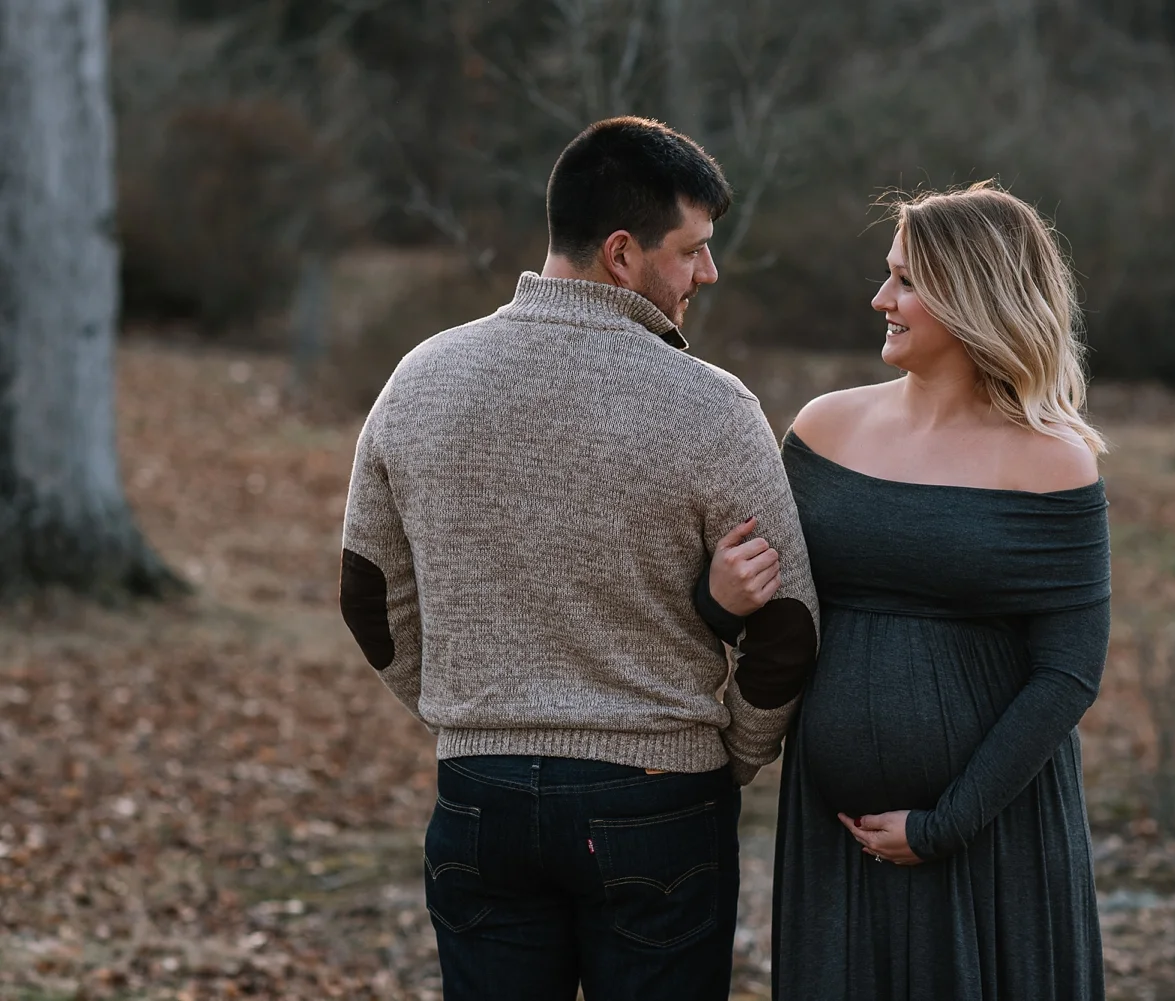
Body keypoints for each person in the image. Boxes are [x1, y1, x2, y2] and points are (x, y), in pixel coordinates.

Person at [338, 117, 819, 1001]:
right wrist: (733, 754)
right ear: (623, 254)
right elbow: (789, 627)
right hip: (660, 799)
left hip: (479, 795)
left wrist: (475, 719)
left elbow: (369, 595)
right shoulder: (713, 408)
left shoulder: (420, 378)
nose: (709, 273)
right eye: (693, 251)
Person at [703, 181, 1112, 1000]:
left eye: (906, 281)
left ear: (973, 296)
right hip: (835, 835)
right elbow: (779, 607)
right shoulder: (825, 427)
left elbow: (1067, 672)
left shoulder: (1053, 461)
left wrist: (946, 823)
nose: (880, 299)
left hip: (989, 837)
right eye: (889, 274)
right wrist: (720, 598)